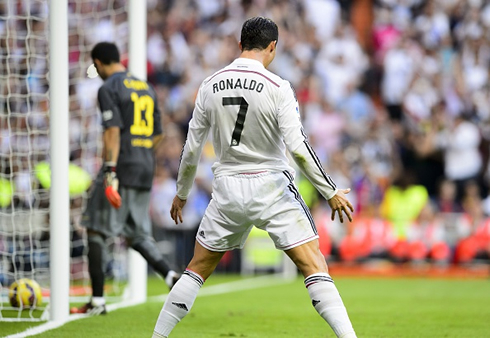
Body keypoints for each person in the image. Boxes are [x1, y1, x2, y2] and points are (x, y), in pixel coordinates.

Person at [152, 17, 356, 338]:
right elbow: (299, 149)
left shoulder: (209, 85)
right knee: (313, 266)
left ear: (240, 44)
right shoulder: (278, 87)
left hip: (227, 190)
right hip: (271, 185)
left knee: (197, 268)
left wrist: (182, 192)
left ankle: (157, 336)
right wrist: (329, 191)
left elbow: (191, 148)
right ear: (272, 47)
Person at [71, 42, 179, 315]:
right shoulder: (146, 87)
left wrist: (110, 169)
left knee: (95, 228)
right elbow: (157, 133)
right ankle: (170, 276)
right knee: (137, 233)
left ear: (98, 62)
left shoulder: (109, 88)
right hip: (145, 166)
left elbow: (112, 132)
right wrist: (140, 153)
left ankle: (96, 302)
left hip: (120, 166)